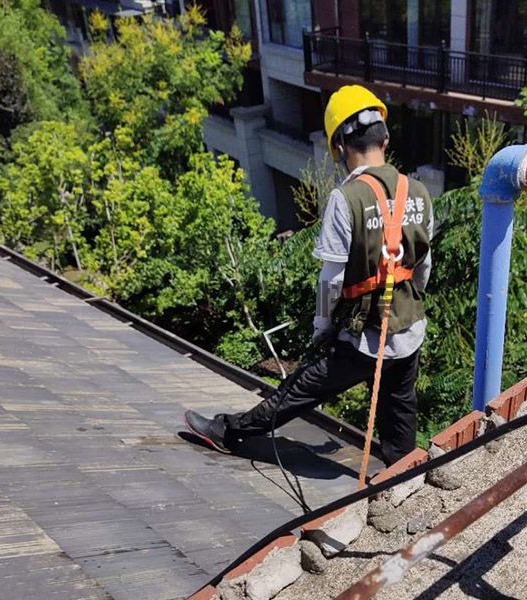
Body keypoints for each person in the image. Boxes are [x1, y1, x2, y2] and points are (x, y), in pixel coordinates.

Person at [184, 85, 433, 467]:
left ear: (340, 149)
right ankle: (402, 478)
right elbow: (422, 270)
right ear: (385, 137)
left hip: (363, 335)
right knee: (400, 413)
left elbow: (331, 280)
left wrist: (321, 324)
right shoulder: (419, 192)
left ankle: (228, 432)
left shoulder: (345, 199)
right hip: (409, 330)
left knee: (301, 389)